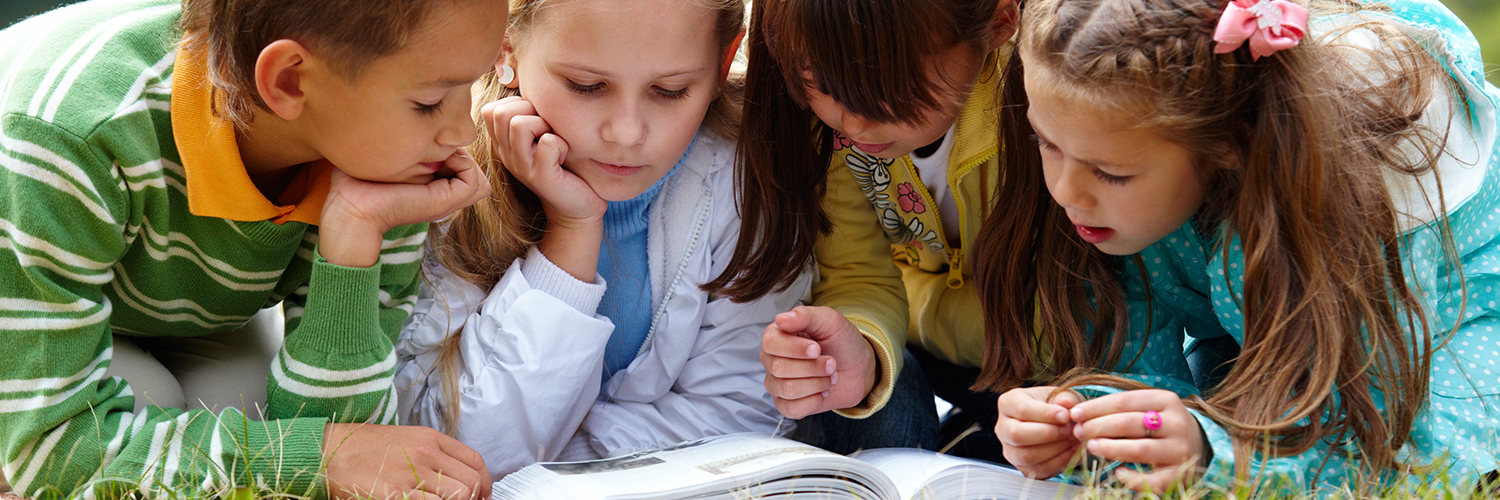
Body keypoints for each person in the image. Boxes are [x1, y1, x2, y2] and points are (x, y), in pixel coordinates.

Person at [978, 0, 1500, 494]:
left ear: (1229, 144)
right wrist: (1082, 418)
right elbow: (1135, 369)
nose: (1065, 191)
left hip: (1448, 318)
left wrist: (1214, 455)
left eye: (1110, 174)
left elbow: (1379, 444)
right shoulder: (1114, 171)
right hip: (1264, 321)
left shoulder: (1355, 193)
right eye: (1045, 143)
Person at [0, 0, 504, 498]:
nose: (464, 132)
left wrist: (354, 237)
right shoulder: (70, 135)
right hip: (21, 293)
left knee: (238, 404)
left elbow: (352, 446)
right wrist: (314, 456)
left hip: (176, 307)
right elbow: (53, 449)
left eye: (473, 85)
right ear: (288, 81)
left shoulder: (383, 152)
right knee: (151, 403)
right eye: (430, 103)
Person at [392, 0, 809, 479]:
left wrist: (560, 460)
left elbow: (737, 420)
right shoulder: (440, 181)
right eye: (587, 86)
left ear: (721, 63)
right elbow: (450, 453)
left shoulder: (747, 182)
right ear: (503, 46)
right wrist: (571, 234)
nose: (627, 133)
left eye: (670, 91)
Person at [702, 0, 1020, 457]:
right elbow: (859, 273)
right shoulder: (825, 132)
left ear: (1000, 21)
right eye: (821, 82)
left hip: (1061, 364)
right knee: (872, 398)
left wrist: (923, 308)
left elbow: (1059, 311)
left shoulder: (1041, 106)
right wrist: (862, 346)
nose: (855, 123)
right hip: (930, 349)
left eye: (891, 85)